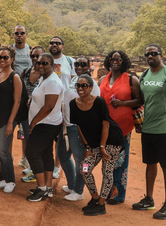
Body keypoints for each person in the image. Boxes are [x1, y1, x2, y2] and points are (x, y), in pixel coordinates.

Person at [132, 44, 166, 220]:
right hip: (148, 127)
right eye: (147, 54)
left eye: (154, 54)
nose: (150, 56)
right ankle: (149, 199)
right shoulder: (145, 76)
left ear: (161, 56)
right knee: (150, 163)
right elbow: (141, 100)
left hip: (165, 127)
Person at [70, 74, 123, 216]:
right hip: (93, 143)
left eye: (84, 86)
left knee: (107, 171)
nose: (80, 88)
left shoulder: (99, 102)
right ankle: (95, 199)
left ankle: (101, 204)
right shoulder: (73, 104)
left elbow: (105, 125)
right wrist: (87, 147)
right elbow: (79, 126)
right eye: (78, 85)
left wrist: (102, 147)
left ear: (91, 88)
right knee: (84, 169)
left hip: (111, 139)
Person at [99, 51, 142, 205]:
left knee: (121, 161)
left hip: (123, 127)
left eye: (118, 59)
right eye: (112, 59)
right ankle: (107, 191)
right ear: (108, 61)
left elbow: (139, 100)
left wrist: (123, 103)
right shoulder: (103, 79)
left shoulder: (132, 79)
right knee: (107, 160)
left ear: (123, 61)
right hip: (105, 127)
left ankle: (118, 194)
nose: (115, 61)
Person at [58, 55, 100, 202]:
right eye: (77, 64)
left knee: (80, 160)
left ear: (89, 66)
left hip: (80, 128)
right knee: (62, 155)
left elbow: (96, 108)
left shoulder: (92, 85)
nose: (79, 67)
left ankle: (79, 190)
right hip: (67, 125)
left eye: (83, 64)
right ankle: (71, 184)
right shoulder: (74, 80)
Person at [25, 53, 64, 202]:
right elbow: (41, 98)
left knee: (32, 152)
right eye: (39, 63)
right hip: (46, 123)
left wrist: (34, 121)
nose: (41, 66)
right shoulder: (45, 79)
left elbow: (49, 106)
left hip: (46, 124)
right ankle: (47, 188)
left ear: (53, 65)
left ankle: (41, 189)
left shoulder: (52, 82)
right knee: (46, 154)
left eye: (45, 63)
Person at [0, 46, 21, 193]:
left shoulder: (14, 77)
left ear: (12, 59)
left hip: (7, 119)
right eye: (0, 57)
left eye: (5, 57)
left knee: (3, 150)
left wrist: (10, 122)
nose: (2, 60)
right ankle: (4, 178)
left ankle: (11, 181)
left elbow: (17, 101)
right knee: (0, 150)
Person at [48, 36, 76, 180]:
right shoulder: (45, 59)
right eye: (52, 43)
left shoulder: (69, 61)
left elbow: (74, 81)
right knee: (46, 136)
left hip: (64, 105)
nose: (54, 45)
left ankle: (56, 167)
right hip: (47, 104)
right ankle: (45, 165)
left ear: (62, 46)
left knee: (60, 137)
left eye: (58, 43)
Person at [20, 45, 45, 183]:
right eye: (33, 56)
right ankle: (32, 167)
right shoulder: (26, 72)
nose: (35, 59)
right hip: (26, 114)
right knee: (28, 141)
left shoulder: (46, 74)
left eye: (38, 56)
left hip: (40, 115)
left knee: (38, 143)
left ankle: (38, 172)